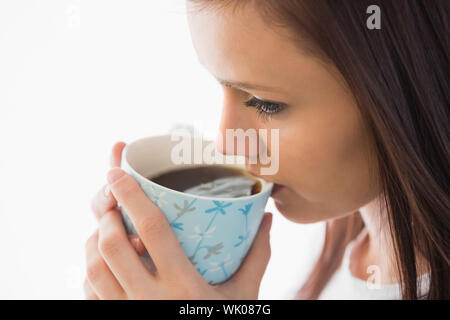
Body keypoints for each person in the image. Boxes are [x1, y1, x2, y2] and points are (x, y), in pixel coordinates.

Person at [84, 0, 449, 299]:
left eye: (266, 103)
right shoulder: (343, 251)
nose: (228, 147)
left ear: (400, 84)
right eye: (221, 86)